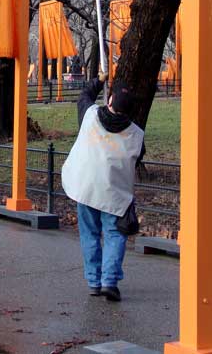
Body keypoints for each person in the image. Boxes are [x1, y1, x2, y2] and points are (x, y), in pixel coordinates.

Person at [61, 73, 145, 302]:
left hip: (86, 187)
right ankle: (109, 281)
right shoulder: (136, 136)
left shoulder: (90, 117)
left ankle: (94, 281)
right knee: (114, 234)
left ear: (110, 100)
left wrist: (99, 80)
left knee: (89, 234)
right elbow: (136, 159)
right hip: (114, 193)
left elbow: (84, 96)